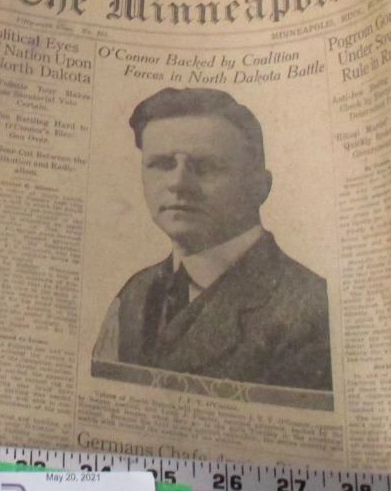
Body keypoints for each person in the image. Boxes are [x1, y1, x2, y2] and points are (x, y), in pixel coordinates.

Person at [93, 87, 331, 391]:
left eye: (206, 167)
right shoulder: (135, 292)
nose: (178, 183)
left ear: (260, 186)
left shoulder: (312, 310)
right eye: (162, 164)